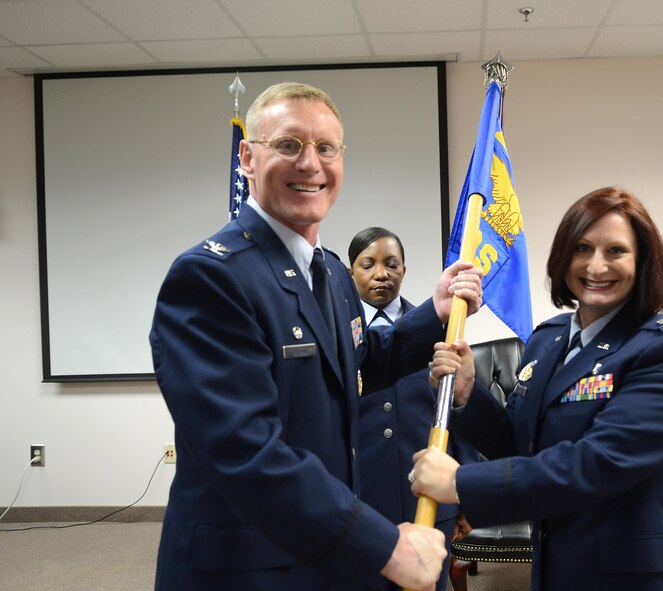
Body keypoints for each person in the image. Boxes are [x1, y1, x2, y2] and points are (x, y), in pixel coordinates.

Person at [149, 82, 482, 591]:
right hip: (249, 567)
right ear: (247, 157)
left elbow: (360, 363)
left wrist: (434, 311)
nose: (311, 164)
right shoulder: (212, 278)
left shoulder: (327, 270)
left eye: (326, 148)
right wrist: (386, 546)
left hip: (323, 553)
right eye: (288, 145)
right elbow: (246, 450)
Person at [410, 186, 663, 590]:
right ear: (563, 257)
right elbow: (523, 443)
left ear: (642, 261)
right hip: (560, 566)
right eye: (583, 248)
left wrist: (461, 483)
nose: (596, 266)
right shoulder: (547, 339)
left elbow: (600, 462)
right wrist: (469, 392)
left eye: (616, 251)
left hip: (640, 576)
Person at [348, 226, 477, 591]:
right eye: (367, 264)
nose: (381, 273)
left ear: (404, 270)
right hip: (362, 498)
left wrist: (464, 494)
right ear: (350, 273)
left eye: (392, 264)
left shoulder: (443, 328)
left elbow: (457, 409)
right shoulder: (339, 336)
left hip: (427, 497)